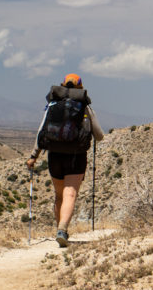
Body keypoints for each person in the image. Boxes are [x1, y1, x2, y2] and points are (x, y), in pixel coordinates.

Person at [26, 73, 104, 247]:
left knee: (59, 195)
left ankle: (58, 230)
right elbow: (99, 135)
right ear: (80, 87)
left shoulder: (53, 104)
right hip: (76, 156)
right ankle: (63, 230)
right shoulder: (85, 106)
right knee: (71, 194)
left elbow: (41, 133)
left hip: (54, 155)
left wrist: (33, 157)